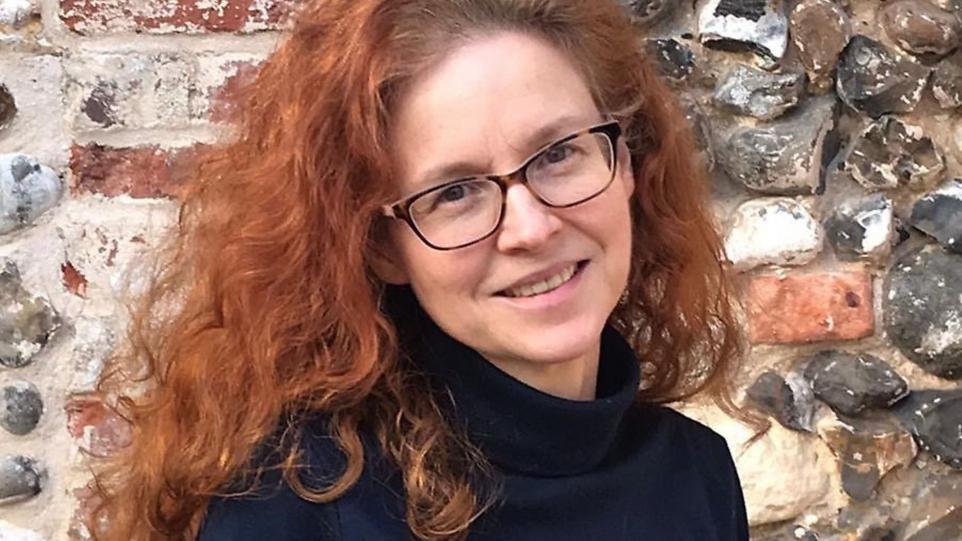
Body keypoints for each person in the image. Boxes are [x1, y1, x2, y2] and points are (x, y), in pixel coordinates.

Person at [90, 1, 763, 540]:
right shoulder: (295, 500)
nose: (531, 228)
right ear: (384, 247)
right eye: (454, 192)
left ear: (628, 164)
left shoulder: (695, 476)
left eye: (559, 153)